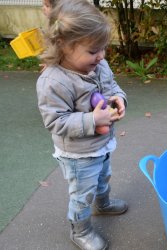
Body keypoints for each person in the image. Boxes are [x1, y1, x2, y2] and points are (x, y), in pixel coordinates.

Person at [36, 1, 128, 249]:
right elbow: (55, 121)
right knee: (82, 194)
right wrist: (92, 120)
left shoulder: (99, 65)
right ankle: (80, 230)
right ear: (63, 47)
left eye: (103, 49)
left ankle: (104, 203)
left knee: (103, 177)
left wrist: (119, 99)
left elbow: (111, 87)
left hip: (102, 144)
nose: (101, 56)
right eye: (93, 51)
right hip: (78, 155)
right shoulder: (53, 82)